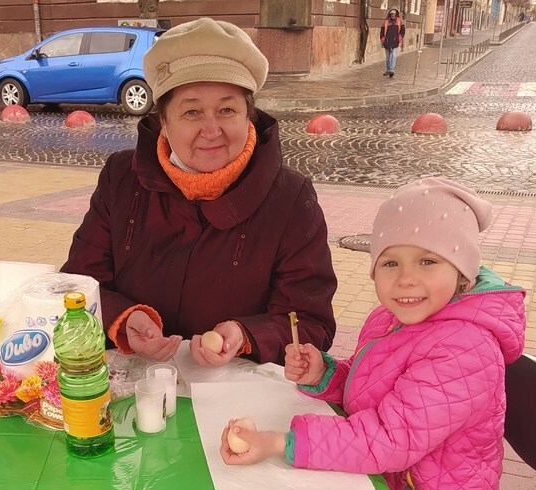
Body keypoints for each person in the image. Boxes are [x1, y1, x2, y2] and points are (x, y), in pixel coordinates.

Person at [220, 178, 527, 490]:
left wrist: (279, 442)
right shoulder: (392, 318)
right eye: (390, 262)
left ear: (463, 273)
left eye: (427, 261)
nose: (406, 279)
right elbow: (378, 393)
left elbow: (389, 438)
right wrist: (326, 374)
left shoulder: (464, 348)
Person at [61, 18, 337, 367]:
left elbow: (310, 322)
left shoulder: (291, 198)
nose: (212, 130)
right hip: (134, 382)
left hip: (236, 392)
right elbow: (78, 286)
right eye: (192, 111)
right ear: (164, 121)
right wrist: (122, 318)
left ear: (248, 115)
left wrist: (246, 336)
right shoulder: (122, 178)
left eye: (227, 110)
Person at [380, 8, 405, 78]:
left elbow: (402, 31)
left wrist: (399, 38)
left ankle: (392, 70)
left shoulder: (400, 22)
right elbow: (382, 32)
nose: (393, 15)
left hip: (395, 41)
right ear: (389, 14)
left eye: (394, 14)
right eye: (391, 14)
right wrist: (383, 40)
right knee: (388, 57)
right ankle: (388, 70)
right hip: (387, 41)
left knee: (393, 56)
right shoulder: (386, 22)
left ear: (396, 14)